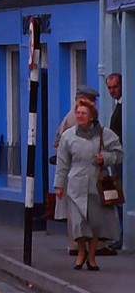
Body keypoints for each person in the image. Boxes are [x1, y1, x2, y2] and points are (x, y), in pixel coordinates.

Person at [54, 99, 123, 271]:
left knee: (95, 224)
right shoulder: (68, 136)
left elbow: (118, 154)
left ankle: (91, 256)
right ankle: (81, 252)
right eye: (78, 112)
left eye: (84, 113)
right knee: (78, 223)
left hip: (96, 184)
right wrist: (59, 185)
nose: (79, 116)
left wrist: (105, 158)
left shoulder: (104, 134)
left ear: (92, 116)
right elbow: (62, 163)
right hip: (76, 183)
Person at [51, 85, 99, 255]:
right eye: (92, 100)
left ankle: (78, 246)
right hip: (76, 171)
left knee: (78, 211)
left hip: (74, 170)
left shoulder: (70, 116)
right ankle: (76, 247)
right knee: (77, 212)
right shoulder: (76, 119)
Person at [105, 72, 123, 250]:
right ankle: (120, 235)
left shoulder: (124, 106)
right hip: (116, 159)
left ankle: (123, 235)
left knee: (119, 196)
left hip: (121, 159)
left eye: (115, 87)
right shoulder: (118, 106)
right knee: (116, 196)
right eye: (109, 88)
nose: (112, 91)